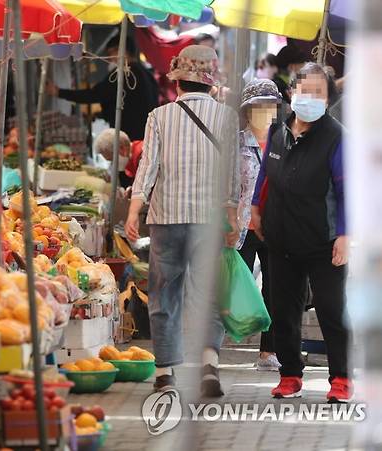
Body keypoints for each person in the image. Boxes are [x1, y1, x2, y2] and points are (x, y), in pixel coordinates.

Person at [125, 45, 240, 397]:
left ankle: (164, 372)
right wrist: (232, 215)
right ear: (211, 83)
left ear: (178, 83)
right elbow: (231, 174)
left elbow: (147, 169)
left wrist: (133, 211)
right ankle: (208, 365)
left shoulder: (159, 117)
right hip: (208, 220)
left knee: (164, 294)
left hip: (168, 219)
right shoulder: (227, 118)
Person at [250, 63, 350, 402]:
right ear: (292, 92)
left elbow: (347, 189)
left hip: (323, 240)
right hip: (281, 237)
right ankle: (289, 374)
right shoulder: (278, 131)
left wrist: (345, 235)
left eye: (318, 92)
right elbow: (265, 175)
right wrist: (255, 210)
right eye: (304, 89)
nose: (309, 97)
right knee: (283, 310)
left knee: (331, 309)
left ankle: (341, 379)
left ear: (328, 99)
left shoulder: (336, 137)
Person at [236, 79, 282, 371]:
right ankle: (211, 352)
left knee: (276, 290)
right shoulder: (236, 144)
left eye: (270, 106)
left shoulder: (286, 142)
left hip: (277, 227)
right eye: (258, 106)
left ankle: (268, 352)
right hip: (241, 228)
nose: (265, 112)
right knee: (234, 288)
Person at [46, 35, 159, 140]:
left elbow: (94, 94)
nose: (109, 60)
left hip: (130, 137)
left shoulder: (123, 74)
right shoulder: (148, 74)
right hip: (148, 136)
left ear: (121, 51)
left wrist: (58, 92)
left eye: (110, 54)